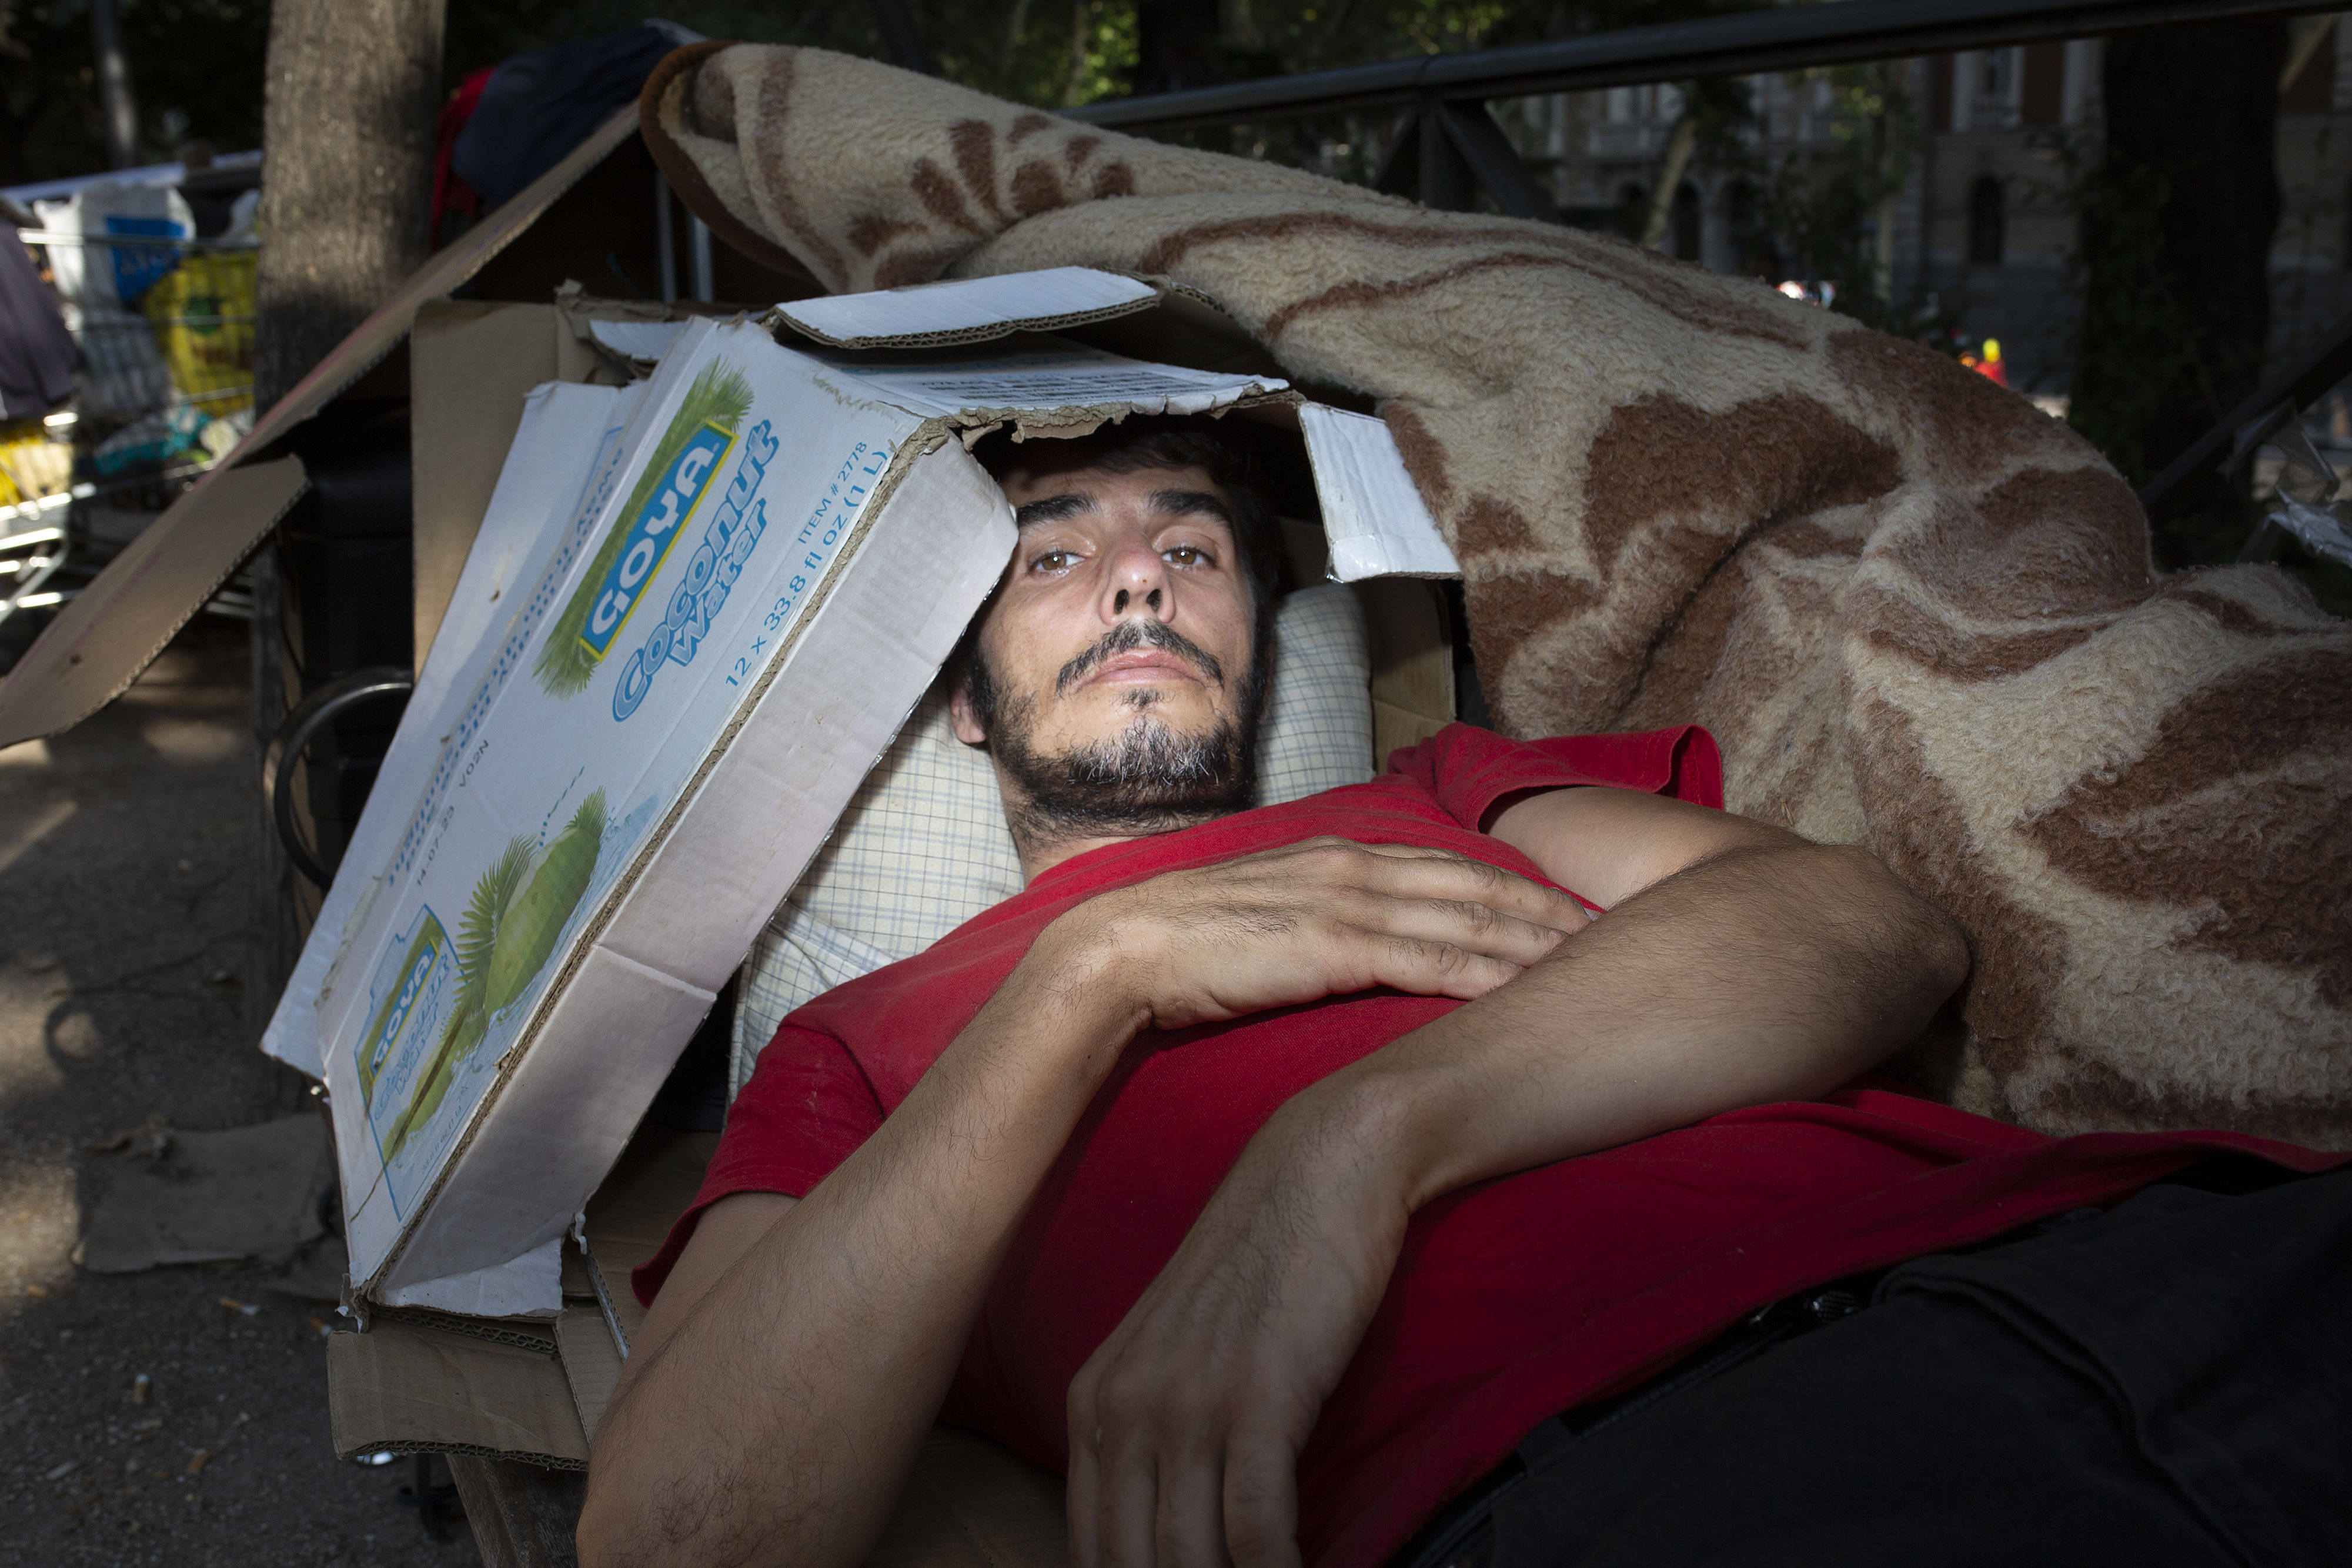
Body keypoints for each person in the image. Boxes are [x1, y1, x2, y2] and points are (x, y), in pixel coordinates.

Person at [577, 419, 2349, 1568]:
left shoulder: (1434, 792)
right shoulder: (862, 1043)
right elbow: (677, 1534)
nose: (1136, 574)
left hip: (2133, 1260)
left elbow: (1869, 932)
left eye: (1194, 549)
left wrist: (1353, 1143)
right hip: (1648, 1480)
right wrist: (1095, 973)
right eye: (1055, 556)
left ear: (1258, 645)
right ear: (965, 704)